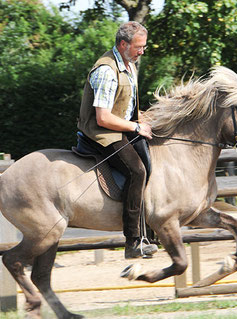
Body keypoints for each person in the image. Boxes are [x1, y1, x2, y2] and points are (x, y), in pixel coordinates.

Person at [77, 21, 158, 259]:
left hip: (121, 128)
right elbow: (103, 118)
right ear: (123, 44)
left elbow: (125, 106)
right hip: (100, 134)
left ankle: (150, 228)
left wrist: (143, 122)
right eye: (138, 47)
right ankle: (133, 241)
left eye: (143, 46)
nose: (142, 51)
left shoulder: (128, 64)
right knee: (137, 171)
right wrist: (135, 127)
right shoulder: (106, 70)